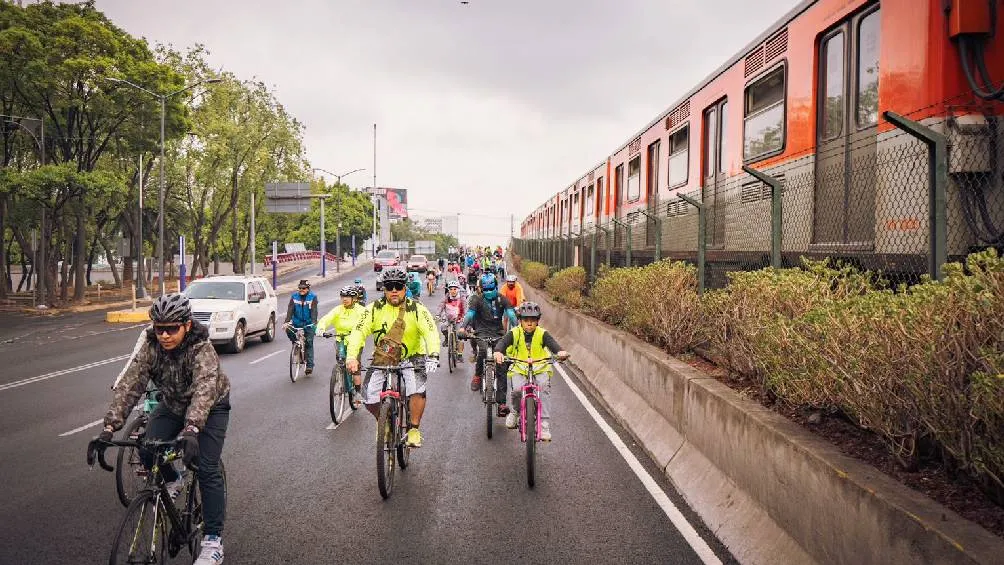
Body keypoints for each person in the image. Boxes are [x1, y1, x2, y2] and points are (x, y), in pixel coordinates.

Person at [96, 293, 230, 565]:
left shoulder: (201, 350)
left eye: (172, 329)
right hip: (173, 403)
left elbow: (204, 392)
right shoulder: (151, 346)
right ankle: (173, 479)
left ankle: (213, 541)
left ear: (187, 326)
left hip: (211, 406)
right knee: (147, 446)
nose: (165, 335)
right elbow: (131, 386)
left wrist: (192, 430)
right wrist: (109, 429)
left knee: (207, 467)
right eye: (159, 329)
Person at [346, 268, 441, 448]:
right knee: (368, 397)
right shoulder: (373, 309)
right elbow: (358, 332)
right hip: (384, 358)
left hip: (412, 356)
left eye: (398, 286)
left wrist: (433, 354)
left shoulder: (417, 309)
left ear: (405, 288)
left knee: (417, 389)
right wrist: (352, 357)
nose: (394, 290)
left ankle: (413, 429)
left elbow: (431, 332)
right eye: (390, 286)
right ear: (385, 289)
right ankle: (385, 421)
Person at [493, 301, 569, 441]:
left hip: (540, 366)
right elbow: (502, 343)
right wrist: (498, 352)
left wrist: (560, 351)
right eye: (526, 320)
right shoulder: (514, 332)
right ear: (520, 321)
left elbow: (553, 344)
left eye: (533, 320)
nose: (529, 323)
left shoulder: (542, 333)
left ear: (537, 321)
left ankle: (544, 424)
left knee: (544, 387)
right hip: (520, 366)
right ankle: (515, 412)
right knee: (516, 390)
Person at [458, 273, 517, 416]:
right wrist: (462, 327)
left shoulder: (503, 299)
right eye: (486, 289)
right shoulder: (476, 300)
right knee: (483, 352)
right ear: (481, 289)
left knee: (501, 364)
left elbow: (511, 315)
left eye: (491, 289)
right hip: (481, 332)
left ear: (496, 287)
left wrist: (517, 329)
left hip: (498, 333)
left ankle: (502, 403)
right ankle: (478, 375)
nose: (489, 292)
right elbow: (470, 314)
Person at [317, 286, 367, 398]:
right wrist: (320, 329)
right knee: (341, 362)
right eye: (343, 296)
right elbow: (326, 319)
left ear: (354, 298)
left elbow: (368, 323)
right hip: (340, 340)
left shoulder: (362, 311)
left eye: (348, 296)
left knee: (354, 368)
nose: (344, 299)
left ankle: (358, 393)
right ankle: (342, 379)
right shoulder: (338, 309)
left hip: (356, 341)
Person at [285, 280, 318, 374]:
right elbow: (290, 310)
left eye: (303, 288)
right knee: (288, 329)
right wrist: (286, 322)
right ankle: (296, 344)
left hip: (309, 323)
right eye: (300, 288)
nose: (301, 290)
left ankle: (310, 366)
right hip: (297, 323)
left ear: (308, 289)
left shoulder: (313, 297)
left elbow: (314, 311)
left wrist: (314, 322)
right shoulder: (294, 297)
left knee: (309, 342)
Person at [437, 280, 467, 362]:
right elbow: (441, 306)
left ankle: (460, 355)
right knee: (443, 327)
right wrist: (437, 315)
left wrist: (466, 317)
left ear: (458, 289)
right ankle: (447, 339)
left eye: (454, 289)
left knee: (459, 336)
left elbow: (465, 308)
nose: (453, 291)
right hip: (448, 318)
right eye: (451, 289)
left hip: (459, 319)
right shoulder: (447, 296)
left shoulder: (462, 297)